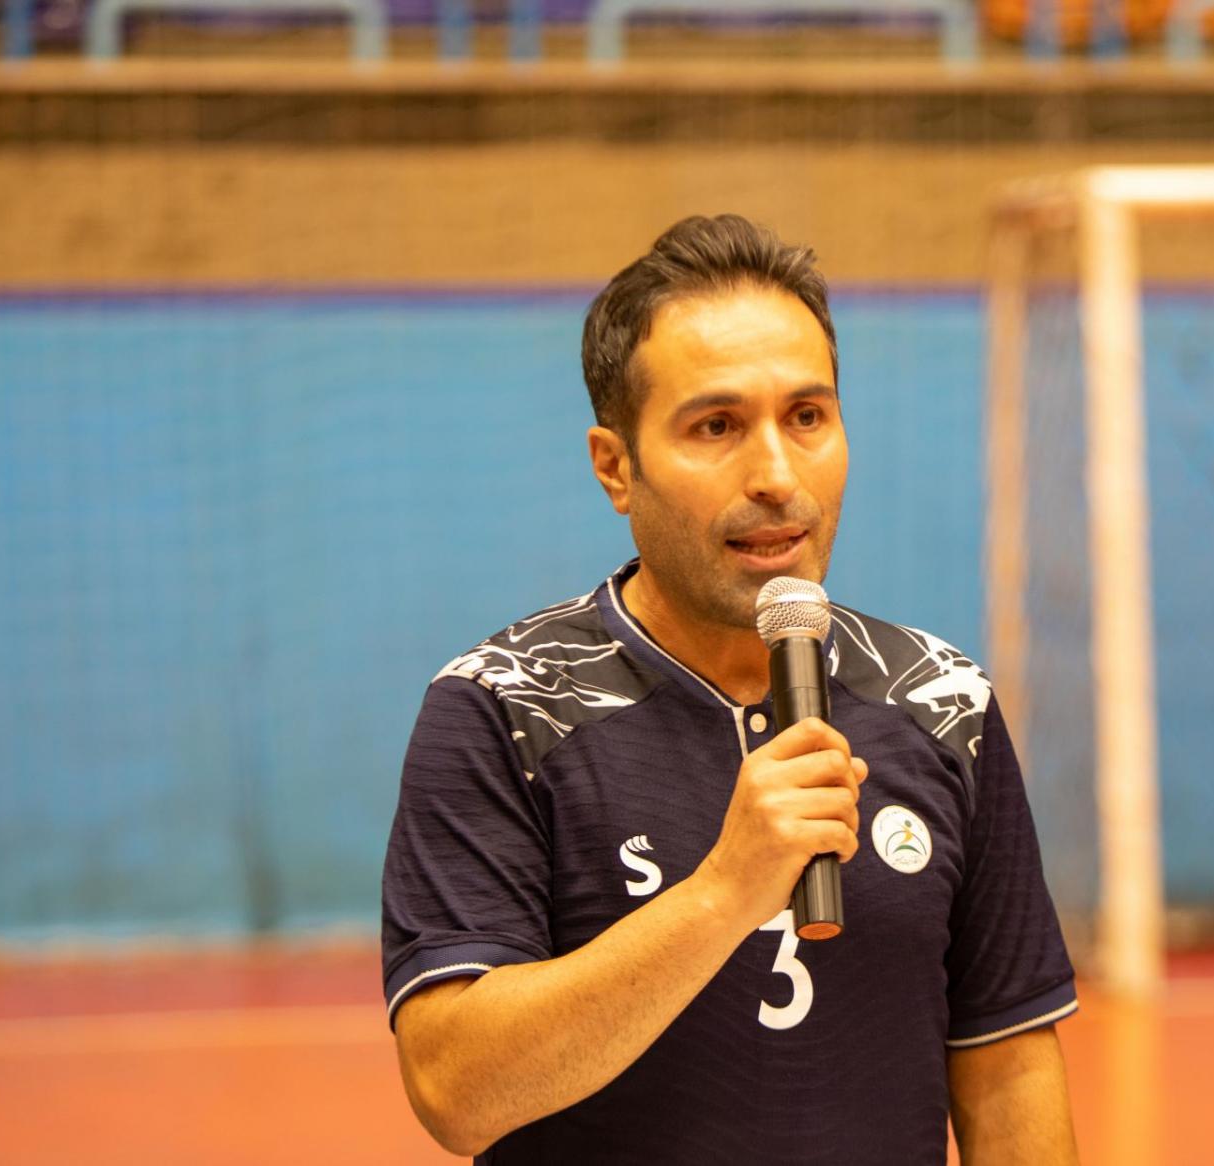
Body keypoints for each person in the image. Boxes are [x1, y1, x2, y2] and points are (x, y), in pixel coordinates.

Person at [381, 214, 1080, 1164]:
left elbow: (1008, 1067)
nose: (777, 476)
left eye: (808, 417)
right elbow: (456, 1093)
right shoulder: (504, 707)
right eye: (717, 427)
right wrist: (725, 892)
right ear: (615, 467)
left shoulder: (941, 700)